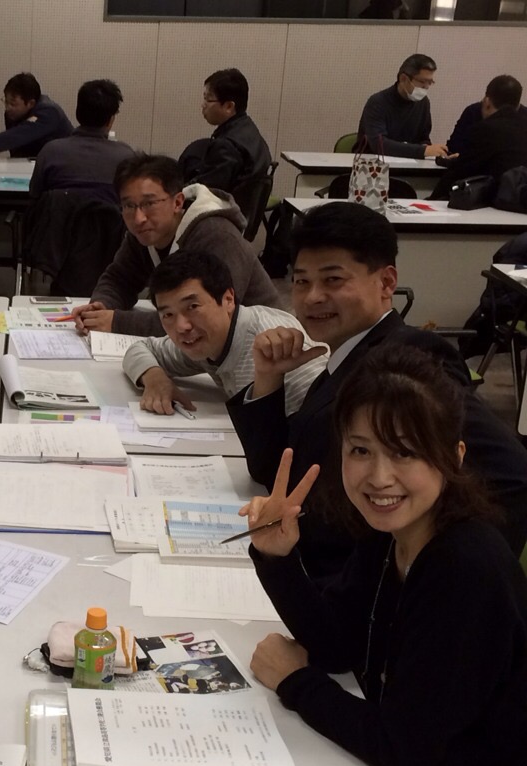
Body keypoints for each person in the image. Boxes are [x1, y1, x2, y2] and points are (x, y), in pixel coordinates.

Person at [243, 345, 527, 766]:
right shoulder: (392, 532)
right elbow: (340, 640)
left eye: (405, 452)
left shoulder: (464, 570)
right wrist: (277, 558)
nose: (379, 476)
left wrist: (296, 684)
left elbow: (403, 746)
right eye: (360, 451)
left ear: (453, 457)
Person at [227, 200, 527, 579]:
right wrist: (269, 377)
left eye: (333, 280)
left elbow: (513, 479)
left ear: (386, 283)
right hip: (307, 567)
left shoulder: (408, 361)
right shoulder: (343, 358)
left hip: (348, 588)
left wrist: (420, 577)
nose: (312, 296)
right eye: (301, 281)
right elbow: (276, 472)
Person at [72, 153, 281, 337]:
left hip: (266, 344)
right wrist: (101, 307)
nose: (138, 218)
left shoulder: (216, 235)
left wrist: (117, 322)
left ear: (178, 202)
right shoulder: (145, 233)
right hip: (203, 350)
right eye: (129, 205)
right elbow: (119, 279)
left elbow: (207, 318)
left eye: (149, 203)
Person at [122, 251, 325, 415]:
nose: (182, 326)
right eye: (168, 314)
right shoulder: (206, 341)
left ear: (228, 299)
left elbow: (324, 426)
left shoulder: (279, 350)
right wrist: (155, 378)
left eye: (192, 307)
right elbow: (141, 348)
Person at [28, 79, 135, 203]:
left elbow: (35, 195)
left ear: (78, 112)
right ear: (110, 120)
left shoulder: (50, 152)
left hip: (60, 216)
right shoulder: (126, 158)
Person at [431, 75, 527, 200]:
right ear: (518, 105)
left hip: (495, 200)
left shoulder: (486, 129)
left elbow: (459, 171)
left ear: (487, 102)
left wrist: (432, 199)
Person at [181, 68, 271, 194]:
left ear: (229, 106)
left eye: (208, 100)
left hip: (226, 205)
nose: (203, 105)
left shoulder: (227, 146)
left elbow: (205, 192)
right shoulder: (250, 130)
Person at [357, 53, 448, 158]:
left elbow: (423, 138)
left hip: (410, 162)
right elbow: (379, 144)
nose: (426, 87)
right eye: (422, 81)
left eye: (430, 82)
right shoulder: (377, 102)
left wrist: (430, 149)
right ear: (403, 78)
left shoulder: (423, 102)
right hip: (372, 162)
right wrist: (422, 150)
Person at [0, 72, 72, 159]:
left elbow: (17, 136)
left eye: (13, 104)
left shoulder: (49, 112)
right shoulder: (11, 114)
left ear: (30, 103)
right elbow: (15, 149)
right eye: (6, 102)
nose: (8, 108)